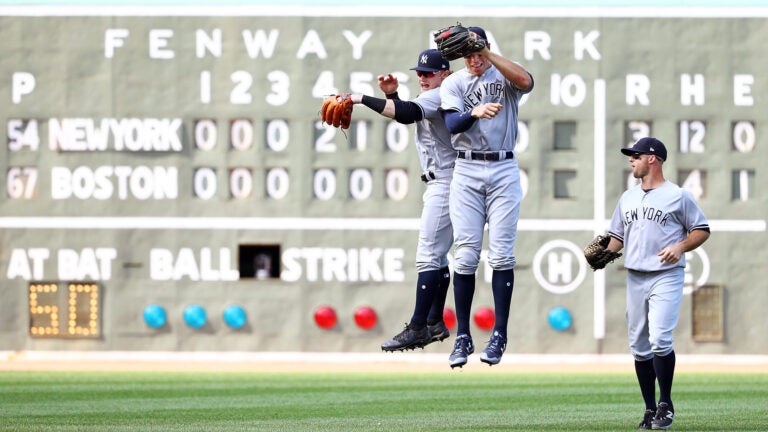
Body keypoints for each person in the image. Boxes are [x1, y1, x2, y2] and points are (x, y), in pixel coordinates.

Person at [345, 49, 456, 351]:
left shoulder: (442, 93)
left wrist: (360, 98)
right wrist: (393, 95)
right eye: (419, 72)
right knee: (440, 256)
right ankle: (434, 320)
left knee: (428, 257)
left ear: (445, 72)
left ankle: (419, 326)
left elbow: (407, 114)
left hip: (446, 182)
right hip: (450, 180)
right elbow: (407, 110)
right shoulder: (440, 92)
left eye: (429, 72)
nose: (423, 77)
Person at [438, 26, 534, 368]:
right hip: (466, 170)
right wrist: (475, 112)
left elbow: (526, 81)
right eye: (469, 54)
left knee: (502, 255)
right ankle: (463, 334)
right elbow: (452, 124)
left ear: (487, 49)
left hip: (504, 166)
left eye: (478, 53)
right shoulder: (454, 82)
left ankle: (499, 334)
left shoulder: (502, 73)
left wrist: (489, 52)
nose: (474, 60)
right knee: (464, 256)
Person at [604, 137, 710, 430]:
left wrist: (681, 246)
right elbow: (617, 239)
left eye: (635, 155)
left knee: (660, 338)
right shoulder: (627, 198)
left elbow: (701, 229)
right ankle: (650, 410)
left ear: (653, 158)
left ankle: (666, 402)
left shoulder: (678, 195)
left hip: (666, 274)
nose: (631, 160)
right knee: (639, 347)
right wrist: (602, 252)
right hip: (635, 277)